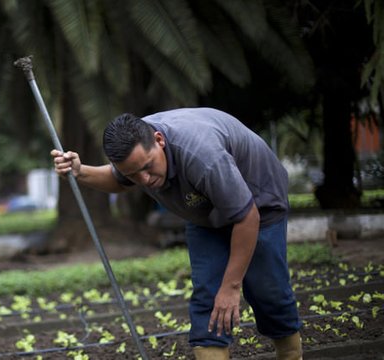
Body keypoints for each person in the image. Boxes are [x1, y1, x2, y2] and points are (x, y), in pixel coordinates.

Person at [51, 107, 302, 360]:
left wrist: (231, 286)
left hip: (258, 203)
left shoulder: (202, 156)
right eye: (134, 174)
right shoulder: (136, 150)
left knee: (266, 291)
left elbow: (247, 217)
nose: (145, 179)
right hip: (204, 214)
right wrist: (80, 171)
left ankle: (291, 354)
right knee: (207, 299)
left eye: (147, 167)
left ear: (159, 140)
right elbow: (118, 179)